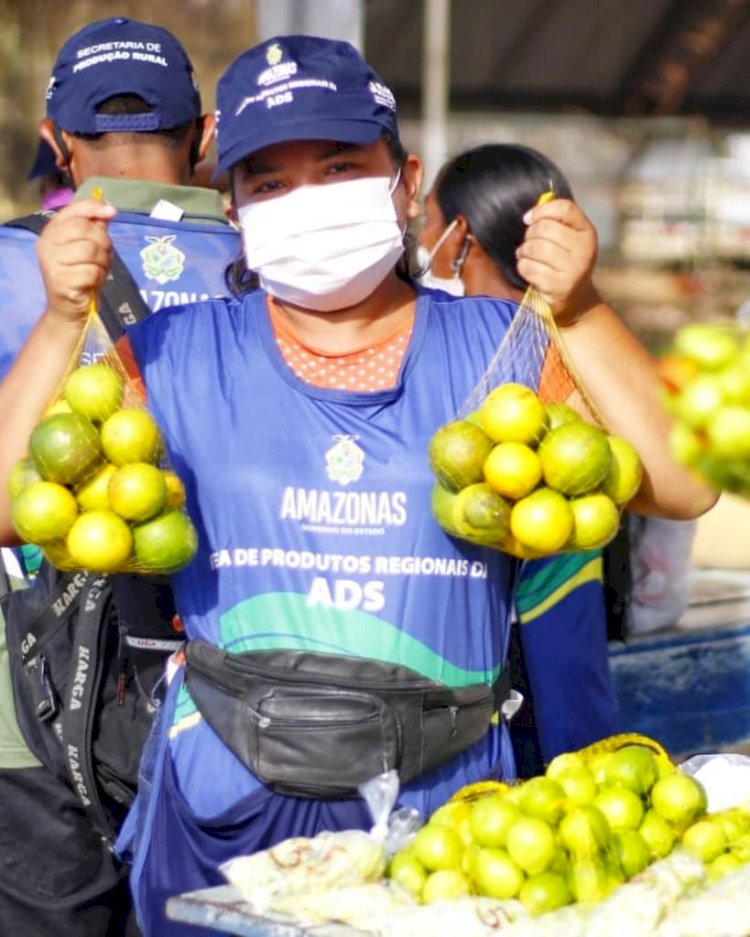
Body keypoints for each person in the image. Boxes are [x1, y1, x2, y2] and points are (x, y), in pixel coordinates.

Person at [0, 35, 716, 936]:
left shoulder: (504, 347)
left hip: (448, 830)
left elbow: (686, 484)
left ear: (405, 183)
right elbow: (6, 503)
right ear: (234, 208)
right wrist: (66, 316)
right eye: (269, 183)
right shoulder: (173, 355)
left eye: (340, 167)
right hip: (224, 823)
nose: (306, 202)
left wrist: (582, 308)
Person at [0, 16, 239, 936]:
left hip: (28, 713)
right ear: (207, 136)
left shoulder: (13, 263)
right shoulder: (286, 274)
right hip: (233, 699)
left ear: (58, 145)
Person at [417, 143, 621, 772]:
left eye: (426, 220)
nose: (417, 238)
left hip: (496, 705)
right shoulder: (588, 355)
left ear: (459, 238)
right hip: (562, 689)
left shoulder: (473, 365)